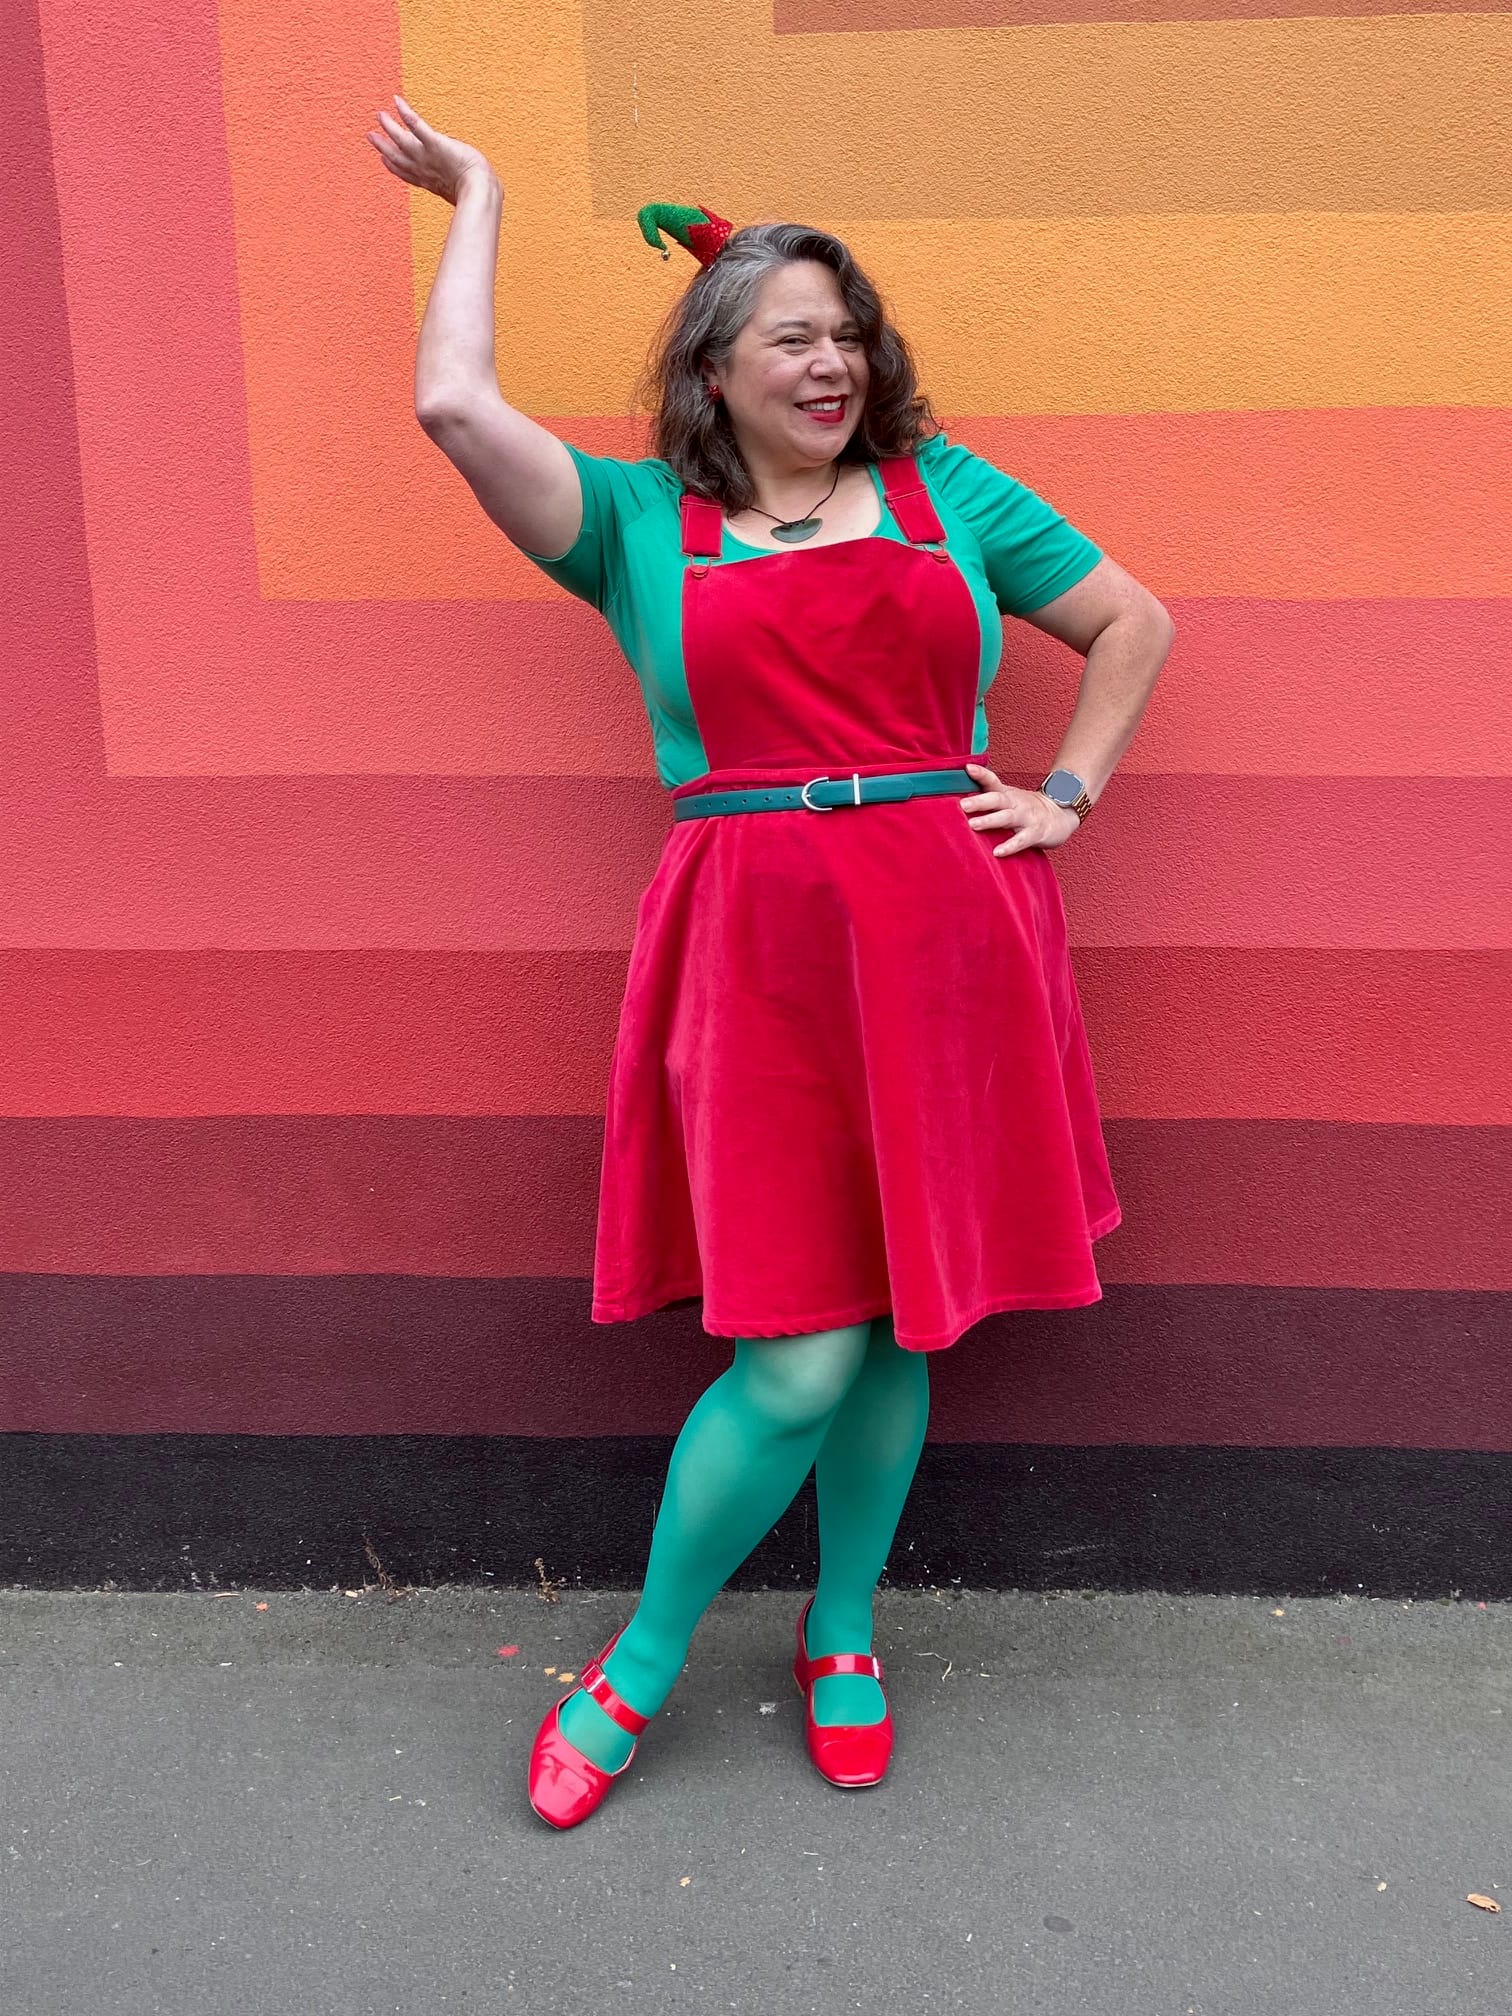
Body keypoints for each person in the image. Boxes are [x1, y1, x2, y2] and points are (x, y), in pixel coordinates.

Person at [367, 98, 1175, 1831]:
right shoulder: (628, 523)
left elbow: (1133, 620)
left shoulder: (950, 492)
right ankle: (644, 1658)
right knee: (801, 1346)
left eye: (847, 332)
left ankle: (845, 1627)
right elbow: (452, 406)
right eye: (793, 337)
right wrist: (480, 196)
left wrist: (1067, 795)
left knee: (899, 1326)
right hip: (758, 949)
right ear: (713, 372)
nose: (832, 362)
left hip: (949, 940)